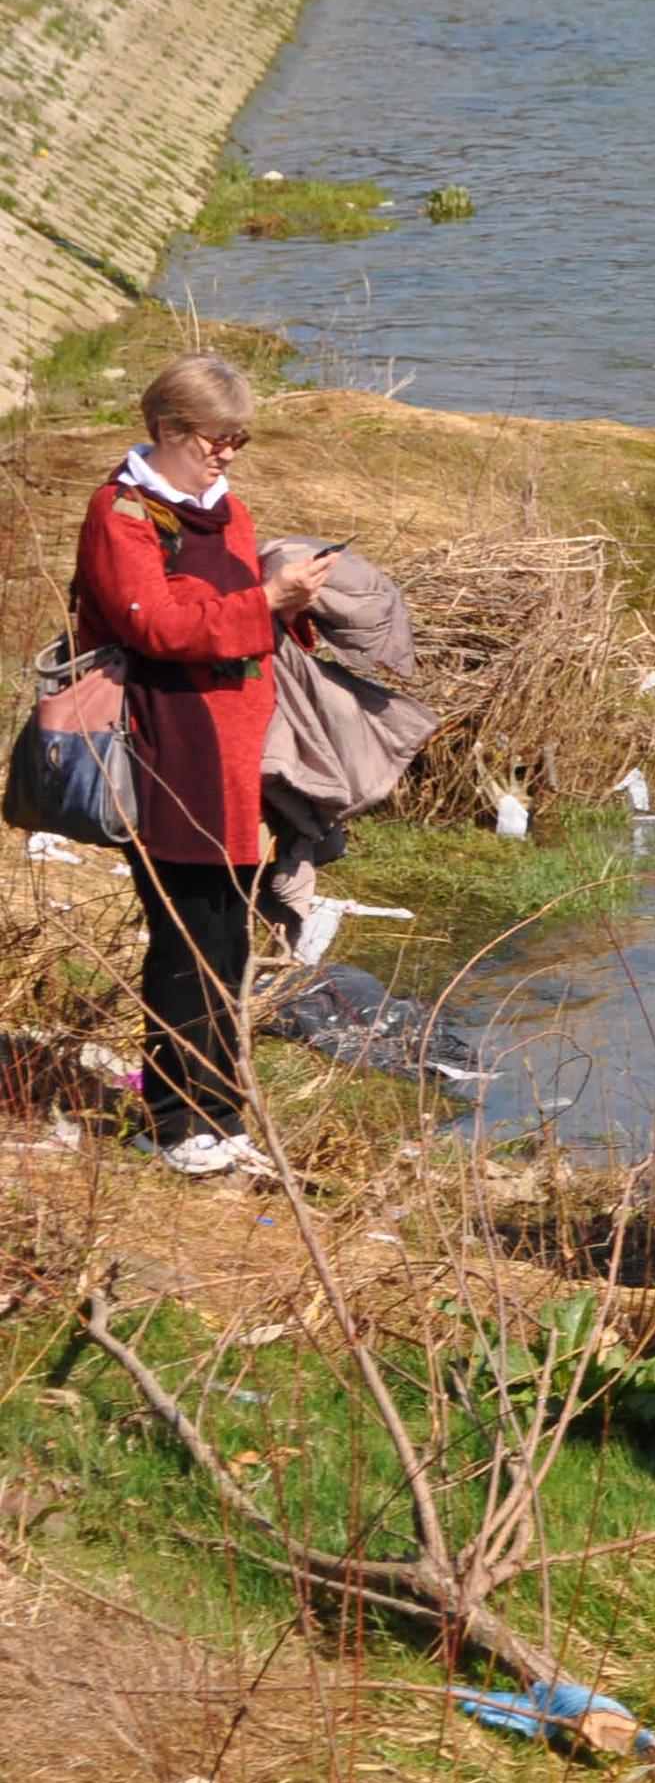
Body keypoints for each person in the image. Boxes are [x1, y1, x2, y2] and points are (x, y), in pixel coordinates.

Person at [73, 354, 330, 1178]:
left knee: (226, 939)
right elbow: (161, 627)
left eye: (237, 440)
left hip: (233, 753)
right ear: (171, 431)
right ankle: (174, 1124)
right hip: (167, 747)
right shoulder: (123, 514)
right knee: (185, 937)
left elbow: (239, 618)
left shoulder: (230, 512)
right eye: (217, 440)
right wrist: (268, 602)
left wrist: (297, 603)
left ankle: (220, 1119)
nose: (227, 455)